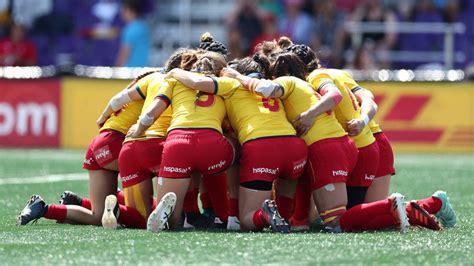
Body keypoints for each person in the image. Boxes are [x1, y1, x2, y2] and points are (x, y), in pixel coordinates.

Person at [16, 71, 150, 228]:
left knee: (98, 217)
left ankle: (44, 209)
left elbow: (115, 101)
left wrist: (101, 118)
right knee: (146, 210)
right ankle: (104, 202)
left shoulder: (136, 88)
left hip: (98, 143)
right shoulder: (159, 84)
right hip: (116, 143)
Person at [128, 51, 236, 232]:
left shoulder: (174, 81)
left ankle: (175, 216)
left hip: (177, 144)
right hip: (212, 146)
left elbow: (151, 114)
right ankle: (229, 215)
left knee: (173, 220)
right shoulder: (227, 84)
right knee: (236, 149)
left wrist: (138, 129)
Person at [115, 0, 150, 67]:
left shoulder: (130, 29)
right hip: (142, 70)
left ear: (129, 10)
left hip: (129, 72)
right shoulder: (142, 26)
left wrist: (117, 69)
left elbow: (125, 53)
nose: (121, 13)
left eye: (123, 10)